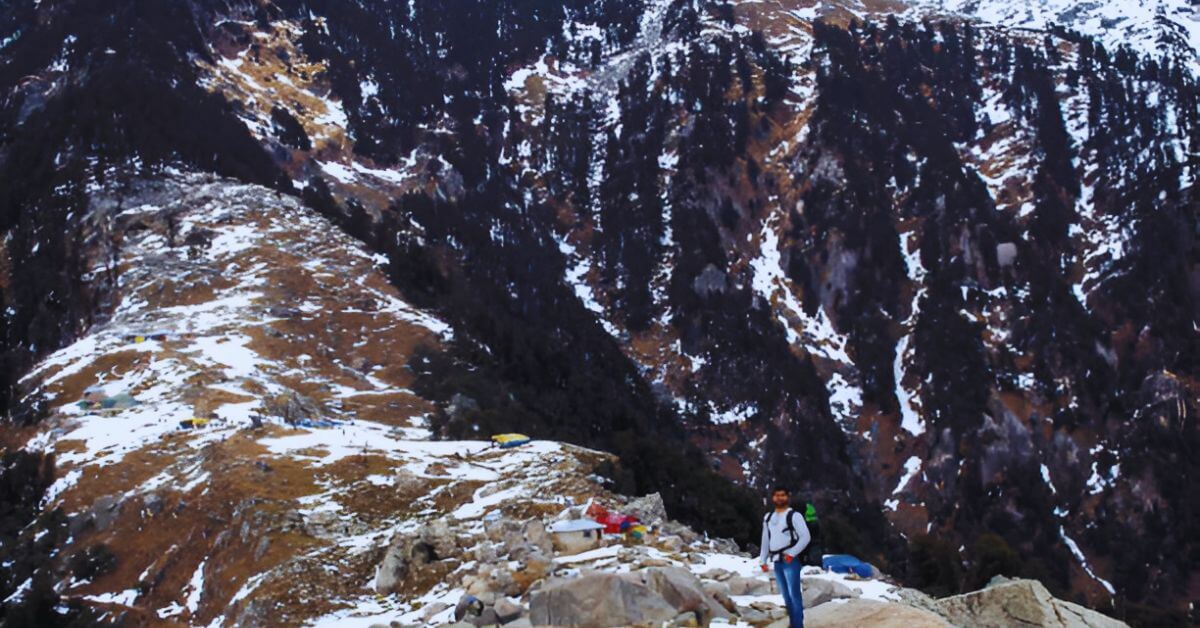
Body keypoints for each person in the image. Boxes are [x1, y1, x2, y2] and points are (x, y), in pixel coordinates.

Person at [759, 485, 810, 628]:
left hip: (790, 560)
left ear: (788, 497)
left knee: (794, 596)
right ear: (772, 498)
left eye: (782, 495)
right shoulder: (768, 517)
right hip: (776, 561)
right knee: (786, 597)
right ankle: (794, 623)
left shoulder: (794, 516)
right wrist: (763, 559)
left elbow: (805, 537)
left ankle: (797, 625)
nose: (779, 498)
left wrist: (792, 553)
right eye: (776, 495)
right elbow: (765, 539)